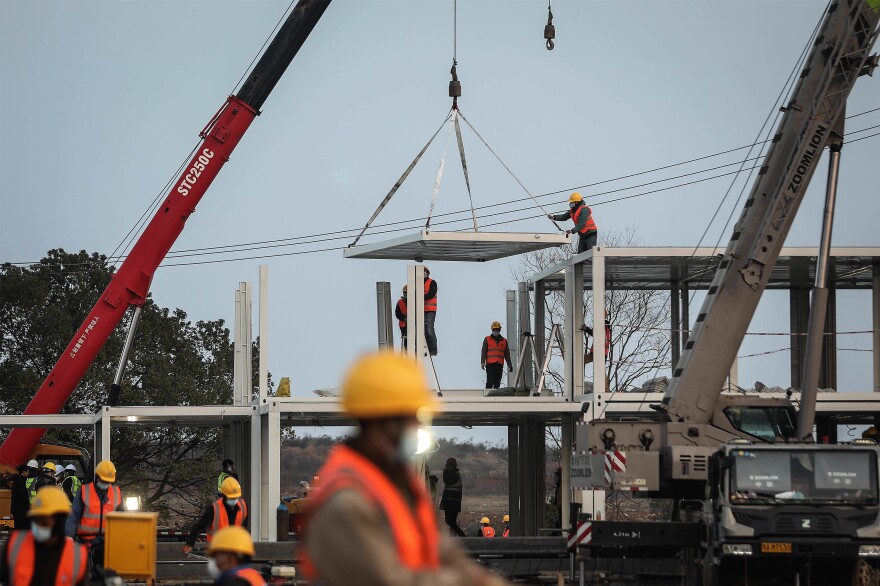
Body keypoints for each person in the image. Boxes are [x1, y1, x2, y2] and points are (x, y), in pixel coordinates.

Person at [302, 351, 509, 586]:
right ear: (382, 421)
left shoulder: (399, 483)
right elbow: (387, 580)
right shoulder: (346, 500)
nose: (418, 425)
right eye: (413, 416)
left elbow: (442, 549)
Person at [1, 485, 90, 586]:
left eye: (43, 522)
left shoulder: (78, 556)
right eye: (35, 520)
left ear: (59, 522)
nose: (38, 526)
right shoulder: (14, 545)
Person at [66, 459, 124, 565]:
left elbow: (123, 519)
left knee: (106, 575)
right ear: (97, 477)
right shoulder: (84, 491)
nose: (106, 483)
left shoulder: (117, 493)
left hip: (107, 542)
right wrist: (69, 535)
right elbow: (74, 515)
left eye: (108, 481)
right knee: (84, 573)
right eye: (104, 480)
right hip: (85, 541)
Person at [183, 477, 249, 554]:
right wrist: (189, 544)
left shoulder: (243, 506)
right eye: (231, 498)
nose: (234, 500)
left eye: (235, 497)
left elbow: (244, 528)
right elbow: (198, 526)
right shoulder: (214, 509)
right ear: (224, 495)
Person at [481, 322, 513, 389]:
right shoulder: (487, 339)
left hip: (499, 364)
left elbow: (507, 354)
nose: (495, 331)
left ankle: (496, 396)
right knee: (490, 381)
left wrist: (510, 365)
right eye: (494, 330)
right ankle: (488, 394)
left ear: (500, 330)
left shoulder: (504, 341)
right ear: (492, 330)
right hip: (490, 364)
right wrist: (482, 362)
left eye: (497, 329)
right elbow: (484, 351)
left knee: (497, 382)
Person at [439, 457, 466, 537]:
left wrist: (445, 471)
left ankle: (463, 537)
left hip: (452, 502)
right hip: (451, 502)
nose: (449, 467)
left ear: (454, 466)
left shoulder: (455, 475)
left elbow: (447, 480)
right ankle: (453, 538)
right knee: (450, 522)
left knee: (450, 522)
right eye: (448, 466)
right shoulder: (454, 474)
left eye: (451, 466)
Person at [10, 463, 31, 530]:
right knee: (23, 529)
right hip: (22, 511)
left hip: (16, 510)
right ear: (24, 472)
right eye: (27, 471)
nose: (28, 473)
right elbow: (23, 497)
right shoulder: (22, 482)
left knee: (18, 529)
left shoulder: (16, 480)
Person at [423, 266, 438, 356]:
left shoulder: (432, 282)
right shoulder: (416, 283)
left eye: (425, 272)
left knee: (429, 330)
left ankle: (433, 349)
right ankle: (428, 349)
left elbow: (431, 294)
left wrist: (419, 296)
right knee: (424, 331)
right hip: (421, 310)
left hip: (430, 310)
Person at [395, 285, 408, 350]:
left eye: (406, 293)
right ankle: (406, 349)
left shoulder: (415, 302)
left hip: (413, 324)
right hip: (403, 325)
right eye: (404, 293)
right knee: (405, 339)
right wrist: (404, 318)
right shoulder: (400, 302)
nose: (405, 294)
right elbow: (397, 314)